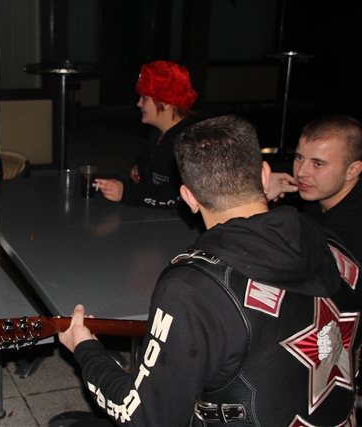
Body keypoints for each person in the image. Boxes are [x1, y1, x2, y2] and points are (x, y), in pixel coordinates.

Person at [59, 115, 361, 426]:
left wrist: (86, 349)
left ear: (189, 197)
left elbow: (144, 417)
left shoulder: (191, 288)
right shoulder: (338, 248)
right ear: (264, 174)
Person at [95, 60, 210, 208]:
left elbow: (179, 196)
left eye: (144, 98)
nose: (138, 104)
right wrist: (141, 170)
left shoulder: (194, 142)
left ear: (166, 102)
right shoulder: (158, 131)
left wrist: (127, 193)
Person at [268, 115, 362, 262]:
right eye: (299, 157)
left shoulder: (350, 229)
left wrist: (258, 200)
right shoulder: (320, 184)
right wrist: (261, 182)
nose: (301, 172)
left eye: (318, 164)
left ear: (352, 170)